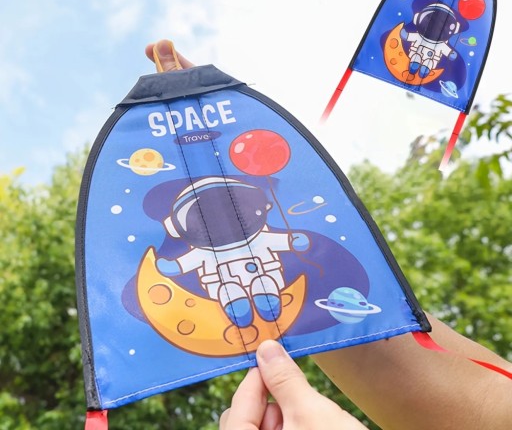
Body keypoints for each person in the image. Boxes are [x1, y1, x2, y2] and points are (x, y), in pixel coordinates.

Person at [145, 39, 512, 430]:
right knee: (235, 292)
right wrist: (214, 150)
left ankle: (258, 300)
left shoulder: (253, 235)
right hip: (238, 280)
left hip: (265, 275)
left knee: (262, 287)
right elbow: (477, 408)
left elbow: (475, 407)